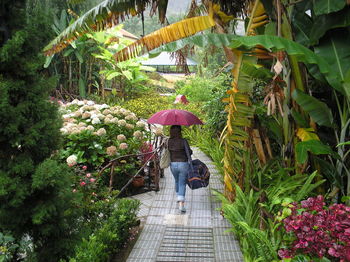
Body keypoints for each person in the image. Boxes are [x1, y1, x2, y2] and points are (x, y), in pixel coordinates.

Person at [168, 125, 192, 213]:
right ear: (180, 131)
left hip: (173, 165)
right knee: (182, 183)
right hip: (183, 164)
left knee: (177, 181)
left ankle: (178, 196)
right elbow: (189, 152)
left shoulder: (169, 141)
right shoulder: (183, 141)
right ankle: (181, 204)